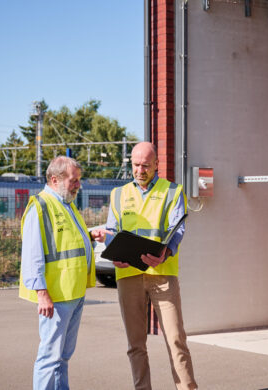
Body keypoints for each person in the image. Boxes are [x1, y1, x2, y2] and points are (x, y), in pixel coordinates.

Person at [92, 142, 198, 390]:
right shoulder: (118, 194)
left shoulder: (173, 191)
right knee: (135, 344)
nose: (140, 170)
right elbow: (113, 230)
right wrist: (107, 241)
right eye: (136, 165)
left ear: (157, 164)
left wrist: (166, 251)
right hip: (127, 274)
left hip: (162, 274)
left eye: (146, 166)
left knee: (175, 340)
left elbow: (178, 229)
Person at [20, 156, 104, 390]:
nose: (78, 185)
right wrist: (41, 292)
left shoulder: (67, 204)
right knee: (49, 357)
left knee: (62, 357)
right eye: (73, 180)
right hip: (55, 296)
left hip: (73, 292)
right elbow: (32, 254)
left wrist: (89, 237)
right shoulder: (41, 207)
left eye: (79, 180)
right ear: (55, 179)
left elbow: (65, 241)